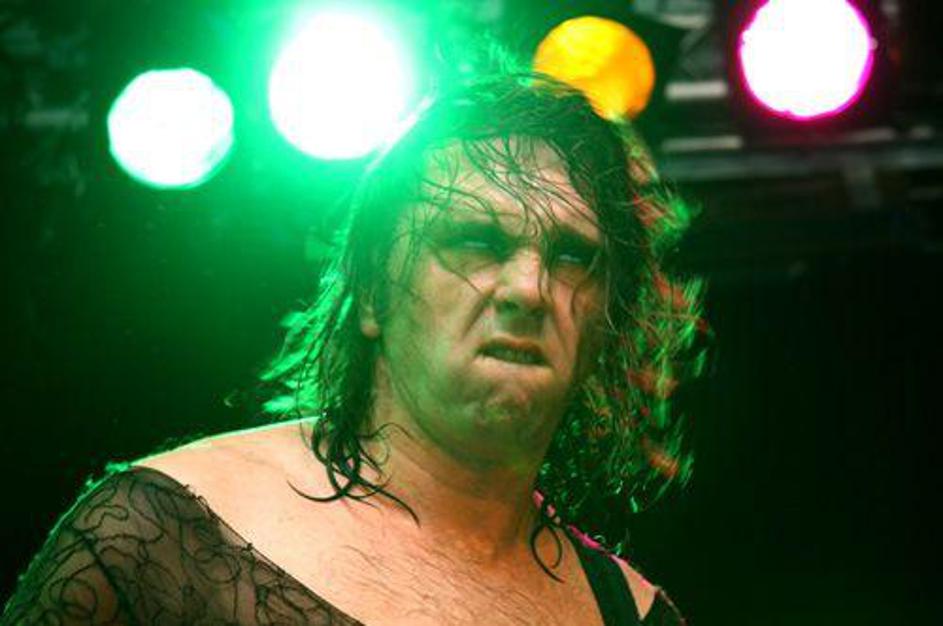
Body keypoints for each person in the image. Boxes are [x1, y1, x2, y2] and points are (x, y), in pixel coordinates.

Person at [2, 71, 708, 625]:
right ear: (372, 290)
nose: (529, 288)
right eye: (476, 241)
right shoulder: (164, 531)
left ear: (606, 321)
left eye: (573, 256)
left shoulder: (631, 613)